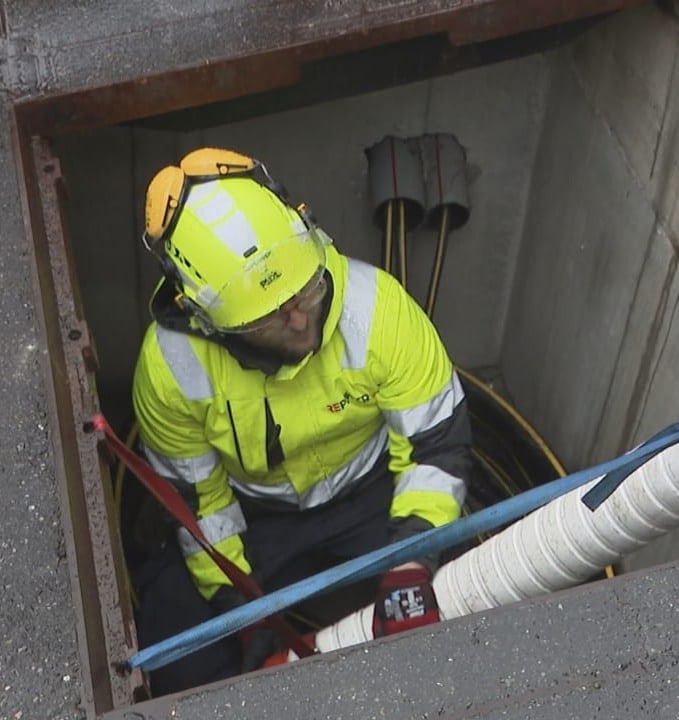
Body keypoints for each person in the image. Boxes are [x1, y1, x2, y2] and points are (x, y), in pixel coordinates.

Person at [130, 147, 472, 695]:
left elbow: (436, 450)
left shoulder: (379, 310)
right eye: (269, 316)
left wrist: (412, 561)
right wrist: (244, 615)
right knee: (176, 658)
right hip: (258, 517)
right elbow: (201, 506)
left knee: (478, 597)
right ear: (207, 319)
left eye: (305, 289)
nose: (299, 318)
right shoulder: (172, 367)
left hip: (377, 494)